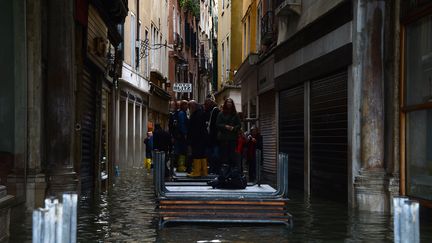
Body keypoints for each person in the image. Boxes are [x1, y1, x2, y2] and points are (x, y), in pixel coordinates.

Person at [216, 98, 241, 169]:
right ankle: (224, 171)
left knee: (232, 156)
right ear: (225, 104)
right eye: (228, 102)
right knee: (224, 156)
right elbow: (217, 124)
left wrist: (233, 128)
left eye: (230, 102)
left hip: (233, 138)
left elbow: (239, 125)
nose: (229, 104)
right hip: (224, 138)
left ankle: (232, 171)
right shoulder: (221, 114)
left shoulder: (235, 114)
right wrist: (225, 126)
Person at [187, 100, 208, 177]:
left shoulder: (196, 114)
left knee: (197, 154)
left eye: (190, 107)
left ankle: (197, 172)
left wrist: (191, 139)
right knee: (202, 154)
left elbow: (194, 128)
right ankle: (204, 171)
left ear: (193, 107)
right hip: (202, 137)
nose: (189, 109)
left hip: (197, 138)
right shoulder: (201, 113)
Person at [204, 98, 221, 174]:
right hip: (210, 138)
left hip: (214, 138)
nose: (205, 106)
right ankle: (213, 169)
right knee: (211, 155)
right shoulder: (208, 111)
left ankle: (215, 169)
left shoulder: (215, 111)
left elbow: (216, 124)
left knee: (215, 155)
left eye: (206, 104)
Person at [175, 100, 189, 172]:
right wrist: (185, 133)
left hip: (180, 135)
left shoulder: (181, 113)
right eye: (186, 105)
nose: (187, 107)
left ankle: (180, 166)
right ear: (183, 105)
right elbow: (182, 124)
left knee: (181, 151)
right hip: (182, 136)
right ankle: (181, 166)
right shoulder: (181, 113)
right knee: (182, 151)